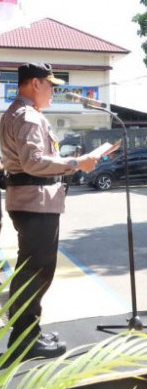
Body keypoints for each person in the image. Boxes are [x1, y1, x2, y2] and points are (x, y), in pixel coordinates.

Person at [0, 62, 98, 359]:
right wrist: (76, 163)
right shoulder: (29, 117)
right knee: (36, 271)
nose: (53, 90)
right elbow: (33, 163)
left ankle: (27, 332)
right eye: (50, 84)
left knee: (31, 268)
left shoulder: (16, 113)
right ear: (34, 84)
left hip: (28, 200)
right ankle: (25, 340)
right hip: (36, 201)